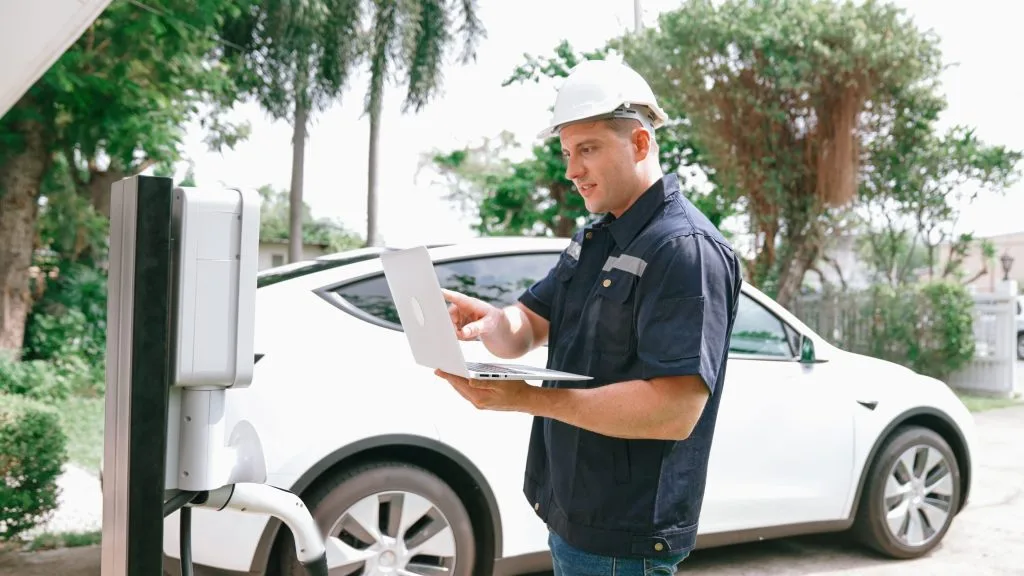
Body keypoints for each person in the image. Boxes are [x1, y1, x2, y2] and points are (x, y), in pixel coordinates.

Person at [434, 58, 743, 576]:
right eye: (567, 153)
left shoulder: (684, 250)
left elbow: (673, 410)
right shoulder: (595, 239)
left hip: (624, 538)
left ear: (640, 143)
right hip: (572, 514)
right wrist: (489, 323)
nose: (572, 170)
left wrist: (530, 401)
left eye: (588, 149)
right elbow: (528, 327)